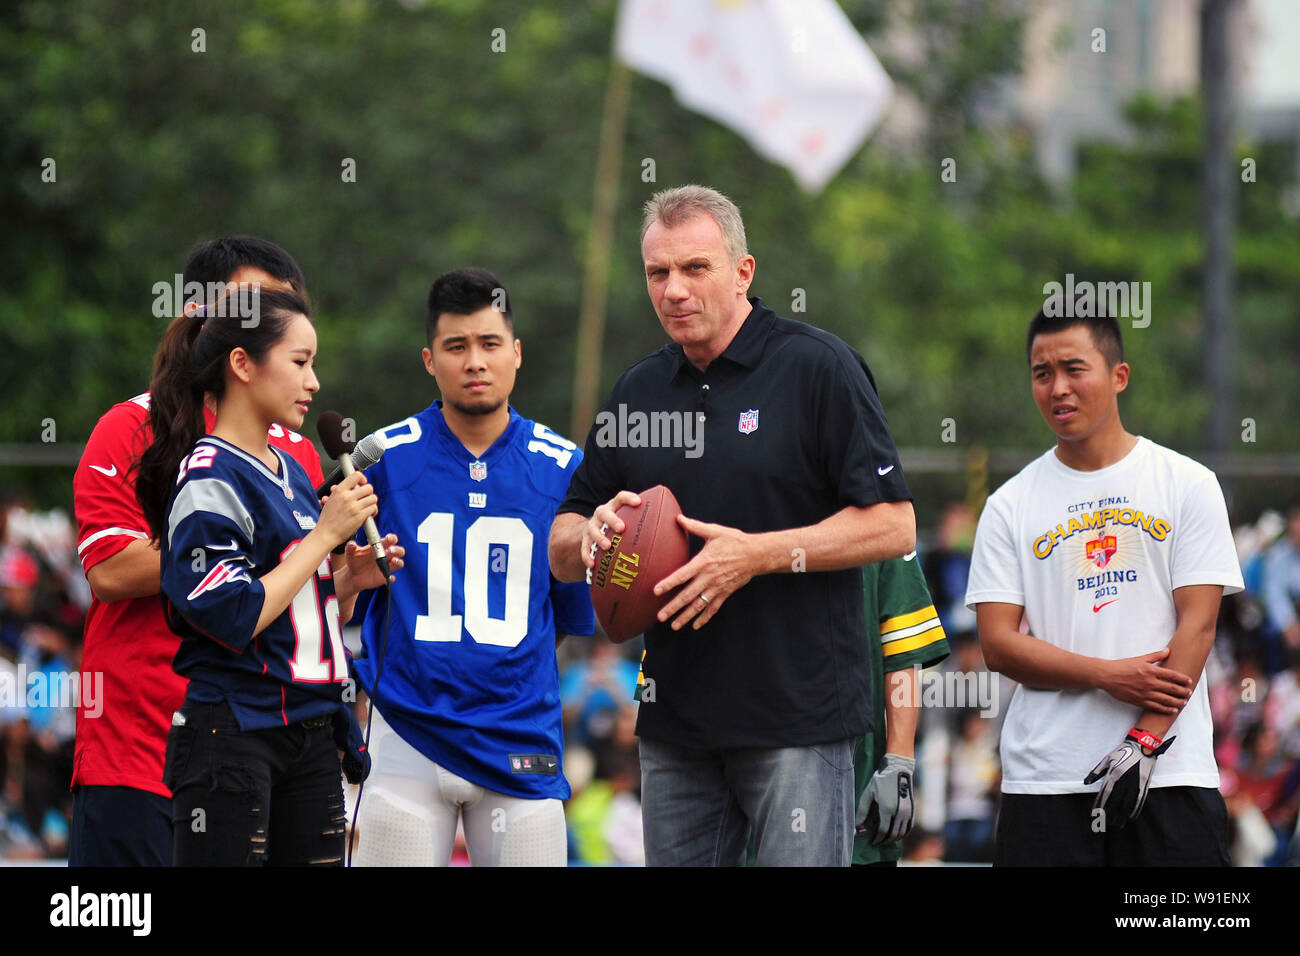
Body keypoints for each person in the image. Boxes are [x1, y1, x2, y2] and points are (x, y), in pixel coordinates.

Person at [549, 184, 915, 866]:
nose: (675, 290)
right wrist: (589, 533)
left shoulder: (818, 368)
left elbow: (894, 526)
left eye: (695, 268)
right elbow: (563, 545)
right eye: (658, 273)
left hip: (798, 722)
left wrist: (755, 555)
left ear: (743, 272)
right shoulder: (638, 391)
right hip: (675, 727)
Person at [71, 237, 328, 867]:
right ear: (197, 314)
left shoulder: (297, 452)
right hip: (135, 749)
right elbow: (109, 569)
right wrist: (231, 561)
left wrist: (341, 575)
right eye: (252, 303)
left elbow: (296, 594)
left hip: (263, 741)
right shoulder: (131, 426)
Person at [965, 305, 1243, 866]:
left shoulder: (1187, 484)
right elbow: (998, 643)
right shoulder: (1009, 505)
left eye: (1074, 368)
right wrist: (1108, 677)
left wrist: (1145, 741)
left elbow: (1200, 623)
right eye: (1042, 374)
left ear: (1119, 375)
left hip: (1168, 777)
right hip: (1047, 783)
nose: (1057, 388)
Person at [134, 285, 402, 866]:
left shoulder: (289, 470)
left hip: (308, 727)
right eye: (300, 363)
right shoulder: (209, 474)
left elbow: (302, 611)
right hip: (233, 732)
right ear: (242, 365)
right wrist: (325, 537)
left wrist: (347, 580)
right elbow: (235, 612)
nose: (315, 382)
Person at [350, 268, 593, 867]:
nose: (475, 361)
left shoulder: (566, 468)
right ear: (429, 360)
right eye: (457, 346)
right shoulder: (380, 458)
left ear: (516, 353)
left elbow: (561, 616)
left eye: (489, 344)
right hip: (407, 731)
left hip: (518, 736)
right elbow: (340, 589)